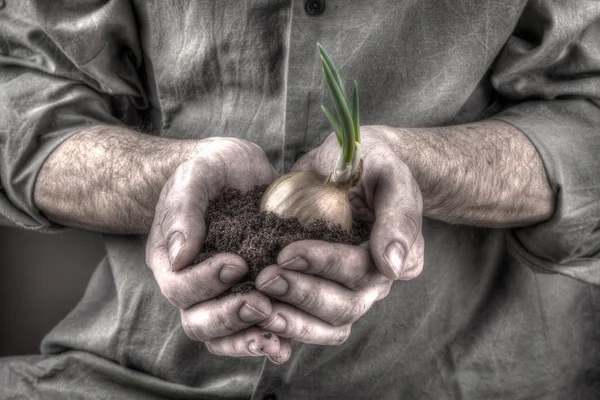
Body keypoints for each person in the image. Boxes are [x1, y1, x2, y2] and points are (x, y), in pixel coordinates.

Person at [1, 0, 599, 398]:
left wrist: (420, 170)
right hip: (138, 375)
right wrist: (166, 178)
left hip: (475, 381)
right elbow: (21, 86)